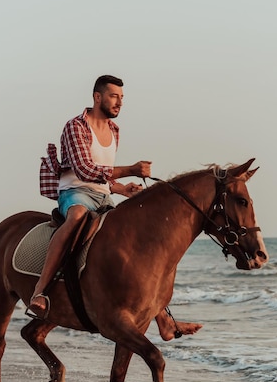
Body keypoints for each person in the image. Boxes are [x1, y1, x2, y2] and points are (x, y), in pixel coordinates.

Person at [28, 75, 202, 341]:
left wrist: (123, 189)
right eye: (113, 96)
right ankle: (40, 291)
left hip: (103, 195)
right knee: (76, 217)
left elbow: (103, 176)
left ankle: (163, 319)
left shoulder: (114, 131)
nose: (119, 102)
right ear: (97, 97)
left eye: (121, 98)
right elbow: (85, 169)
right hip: (74, 192)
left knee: (137, 237)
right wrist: (130, 169)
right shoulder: (75, 127)